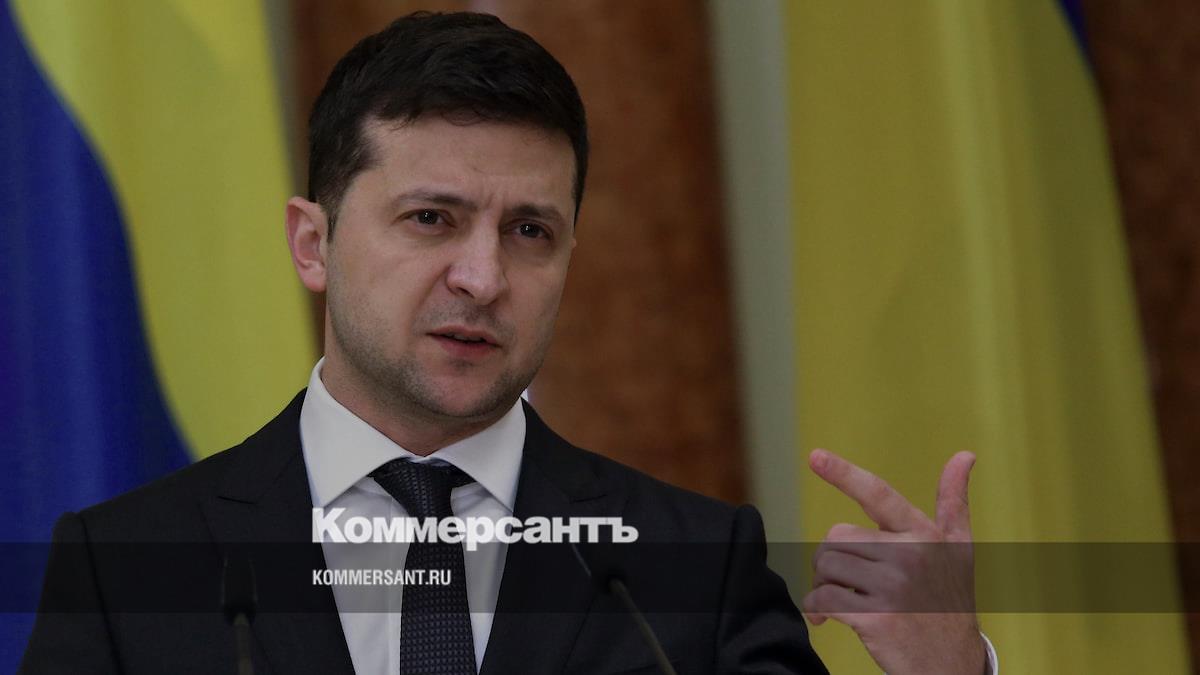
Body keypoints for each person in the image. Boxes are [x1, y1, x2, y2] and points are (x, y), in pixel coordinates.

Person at [21, 11, 993, 674]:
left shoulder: (689, 570)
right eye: (432, 219)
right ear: (312, 243)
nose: (484, 279)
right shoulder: (125, 568)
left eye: (530, 231)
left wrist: (949, 670)